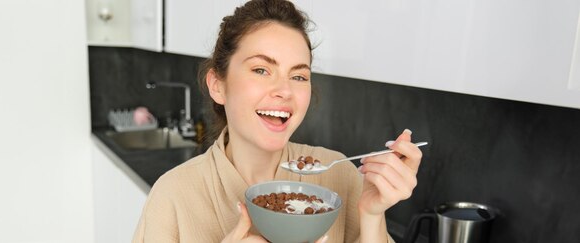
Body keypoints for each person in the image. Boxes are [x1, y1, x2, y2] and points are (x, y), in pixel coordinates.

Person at [132, 0, 423, 242]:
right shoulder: (173, 195)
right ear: (218, 85)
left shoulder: (341, 177)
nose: (284, 91)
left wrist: (372, 214)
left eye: (298, 76)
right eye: (261, 70)